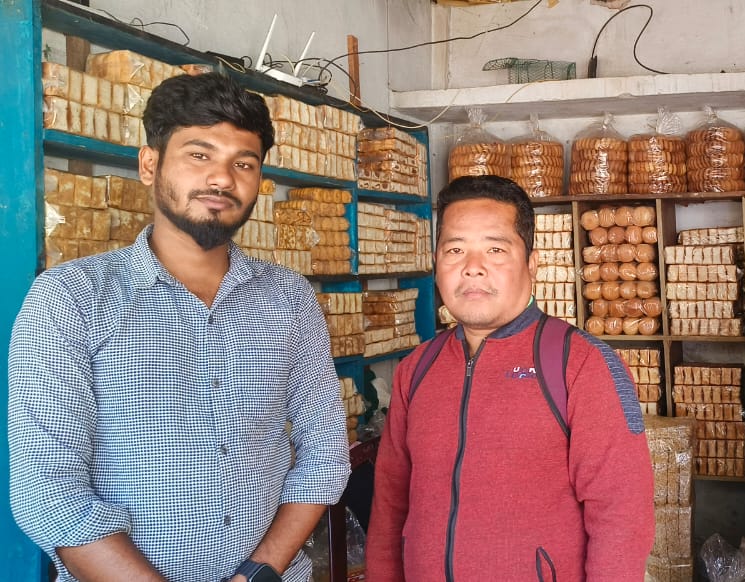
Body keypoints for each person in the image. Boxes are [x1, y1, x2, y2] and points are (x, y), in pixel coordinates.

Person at [8, 73, 351, 582]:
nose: (222, 179)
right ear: (150, 164)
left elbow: (324, 454)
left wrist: (259, 571)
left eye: (244, 163)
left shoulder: (289, 298)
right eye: (199, 154)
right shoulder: (72, 298)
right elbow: (49, 490)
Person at [365, 175, 655, 582]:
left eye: (495, 249)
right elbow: (389, 507)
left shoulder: (581, 365)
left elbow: (621, 518)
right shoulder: (416, 370)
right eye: (455, 250)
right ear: (436, 262)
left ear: (531, 263)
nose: (473, 268)